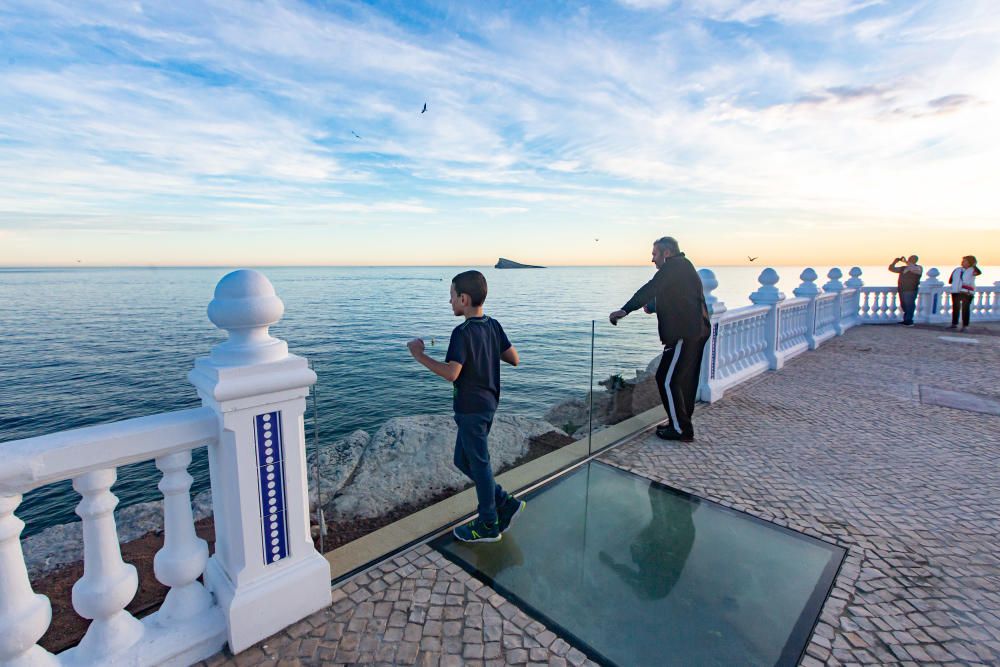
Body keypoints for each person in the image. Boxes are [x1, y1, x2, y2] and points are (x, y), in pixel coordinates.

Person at [407, 270, 524, 543]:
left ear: (464, 298)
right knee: (462, 460)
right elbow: (514, 359)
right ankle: (505, 503)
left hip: (472, 409)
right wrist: (486, 349)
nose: (449, 302)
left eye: (451, 297)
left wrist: (419, 355)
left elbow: (451, 374)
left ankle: (487, 524)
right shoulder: (493, 325)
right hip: (488, 404)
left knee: (480, 465)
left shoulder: (462, 332)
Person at [609, 237, 711, 442]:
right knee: (683, 380)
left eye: (654, 254)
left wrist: (625, 309)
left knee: (666, 379)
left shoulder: (674, 266)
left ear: (667, 253)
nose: (652, 259)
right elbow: (675, 294)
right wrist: (653, 306)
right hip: (695, 330)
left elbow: (651, 288)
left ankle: (681, 429)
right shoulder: (682, 267)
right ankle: (680, 423)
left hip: (685, 333)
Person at [948, 255, 981, 331]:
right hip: (955, 291)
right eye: (963, 260)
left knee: (965, 309)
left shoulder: (972, 270)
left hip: (966, 292)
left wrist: (974, 265)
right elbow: (950, 280)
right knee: (955, 308)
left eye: (965, 261)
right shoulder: (957, 269)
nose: (962, 262)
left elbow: (979, 272)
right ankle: (954, 324)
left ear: (970, 263)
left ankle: (965, 326)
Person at [888, 255, 923, 326]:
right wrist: (894, 262)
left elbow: (913, 268)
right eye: (910, 259)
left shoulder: (918, 268)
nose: (910, 260)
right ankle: (906, 320)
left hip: (911, 290)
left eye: (911, 259)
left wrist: (905, 262)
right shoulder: (903, 268)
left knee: (909, 305)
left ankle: (909, 320)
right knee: (904, 305)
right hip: (902, 289)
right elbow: (891, 269)